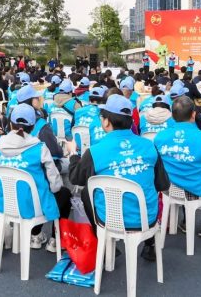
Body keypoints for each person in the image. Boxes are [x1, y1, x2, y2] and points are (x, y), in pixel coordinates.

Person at [68, 94, 170, 262]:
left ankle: (103, 240)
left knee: (87, 192)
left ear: (106, 122)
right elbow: (162, 184)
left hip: (109, 219)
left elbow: (75, 178)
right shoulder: (149, 146)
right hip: (147, 219)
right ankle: (150, 243)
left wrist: (73, 154)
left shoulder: (95, 151)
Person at [0, 104, 71, 252]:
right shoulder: (39, 148)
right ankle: (55, 241)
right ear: (32, 127)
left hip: (5, 203)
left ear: (10, 124)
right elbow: (55, 184)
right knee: (63, 193)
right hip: (32, 207)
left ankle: (36, 236)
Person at [153, 96, 201, 237]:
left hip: (170, 189)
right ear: (194, 114)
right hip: (196, 187)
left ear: (172, 116)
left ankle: (185, 220)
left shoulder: (159, 137)